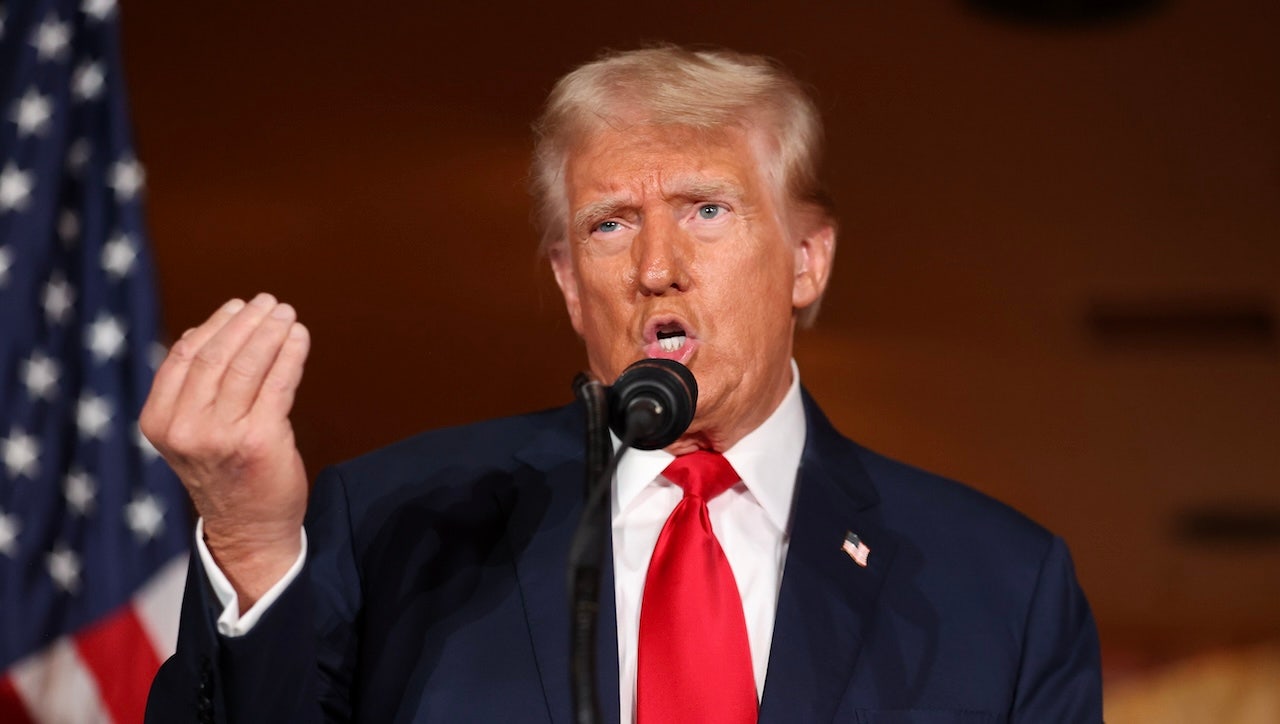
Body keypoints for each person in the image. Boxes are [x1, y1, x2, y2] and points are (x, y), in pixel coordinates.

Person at [142, 45, 1102, 723]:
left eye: (707, 210)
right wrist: (252, 542)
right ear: (568, 283)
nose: (656, 266)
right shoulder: (401, 525)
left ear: (806, 261)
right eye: (609, 224)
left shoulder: (1003, 585)